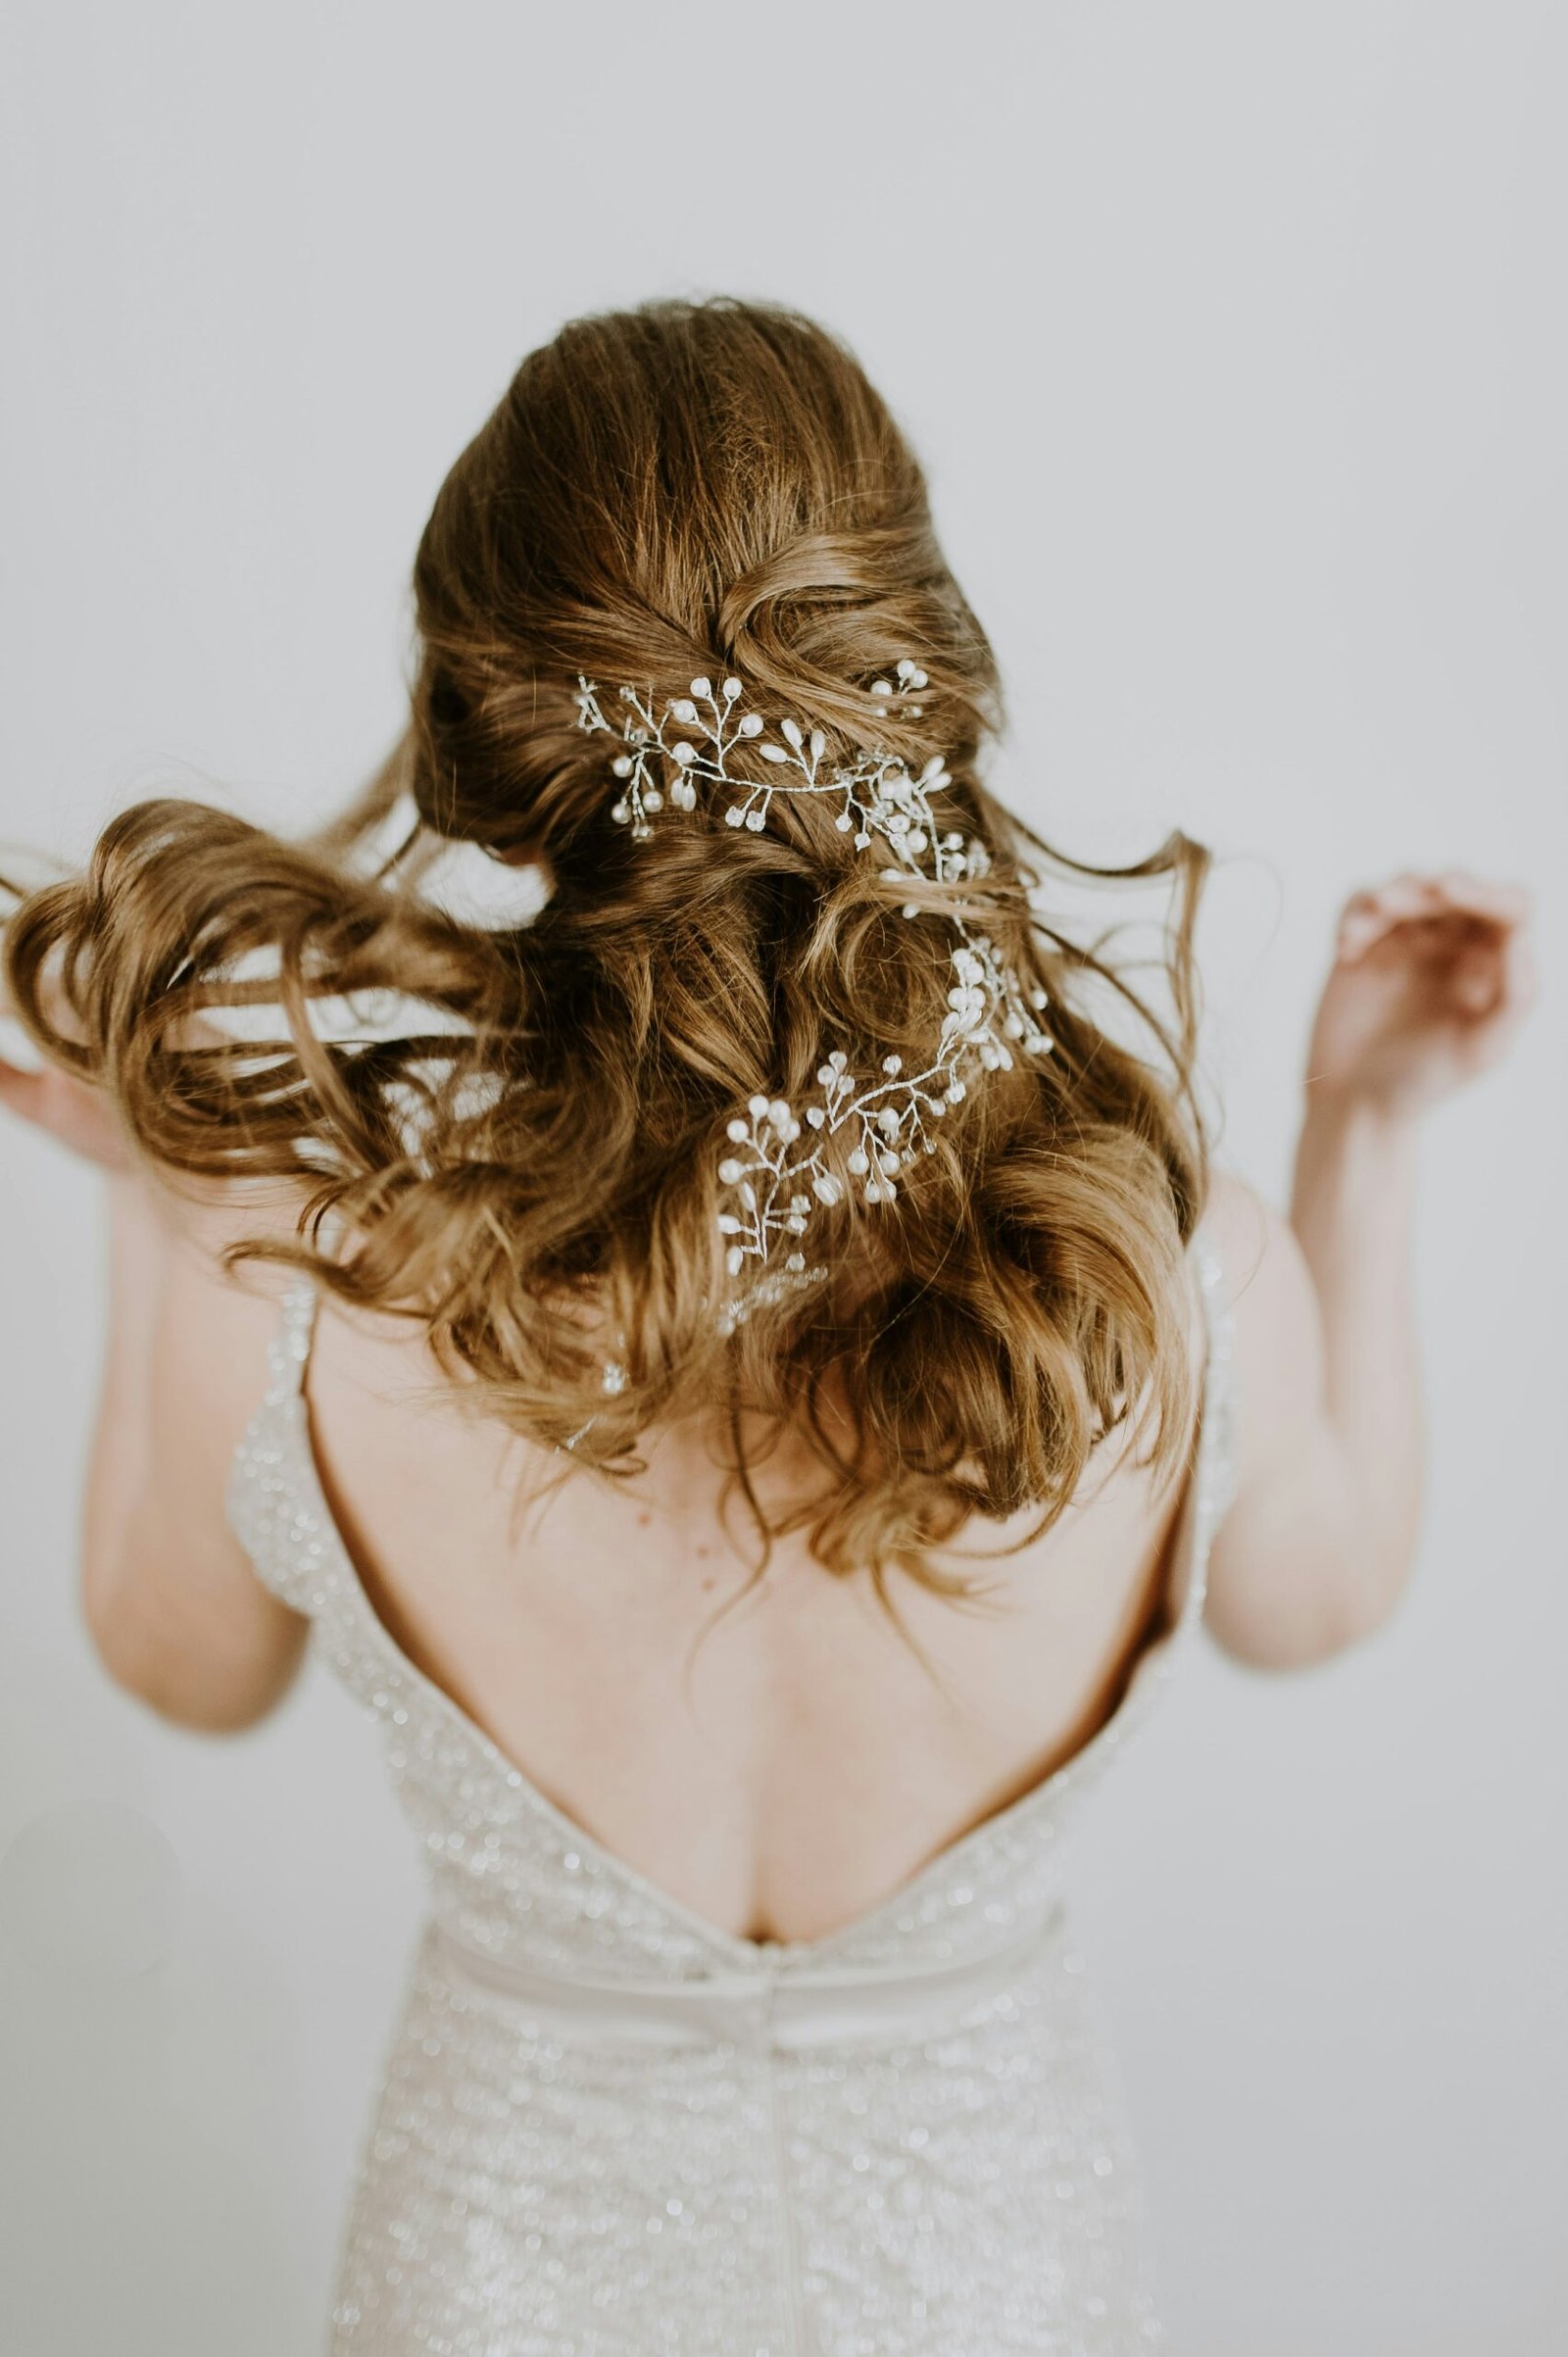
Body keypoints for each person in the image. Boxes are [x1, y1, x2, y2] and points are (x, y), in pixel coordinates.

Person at [0, 298, 1536, 2356]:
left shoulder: (307, 1262)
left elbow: (182, 1668)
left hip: (494, 2288)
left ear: (488, 731)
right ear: (909, 666)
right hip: (997, 2287)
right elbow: (1313, 1595)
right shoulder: (1157, 1264)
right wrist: (1364, 1126)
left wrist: (159, 1175)